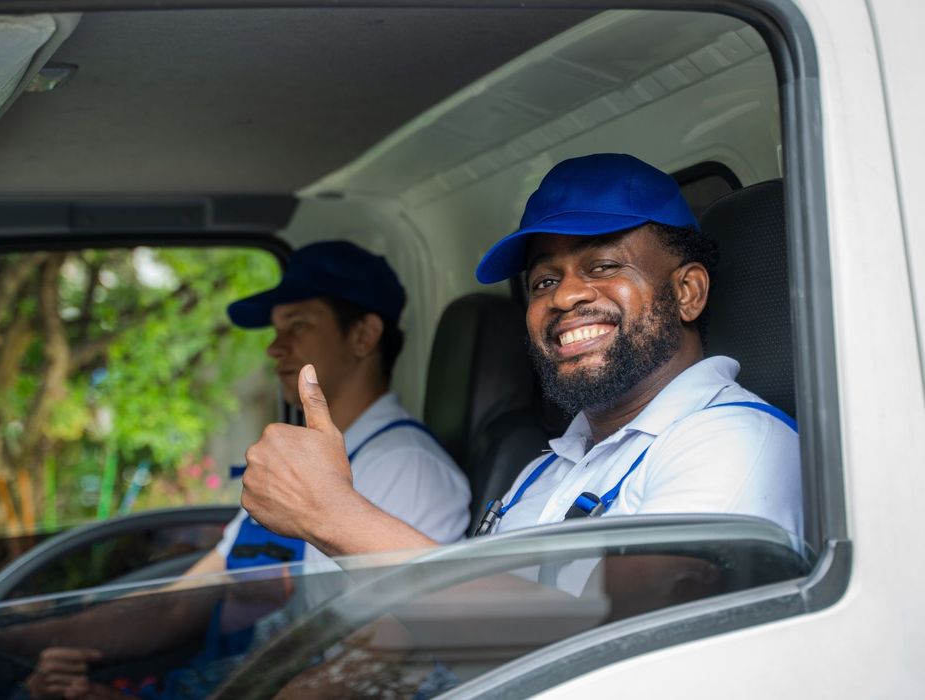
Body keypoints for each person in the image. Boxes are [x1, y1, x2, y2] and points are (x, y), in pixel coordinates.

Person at [240, 153, 802, 564]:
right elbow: (473, 631)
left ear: (687, 292)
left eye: (604, 266)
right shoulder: (546, 469)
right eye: (543, 281)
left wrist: (331, 513)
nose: (562, 296)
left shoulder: (734, 443)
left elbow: (619, 647)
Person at [19, 240, 470, 699]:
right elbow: (180, 605)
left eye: (297, 325)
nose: (275, 348)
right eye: (275, 330)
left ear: (363, 335)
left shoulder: (406, 466)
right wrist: (9, 640)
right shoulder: (302, 460)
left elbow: (369, 665)